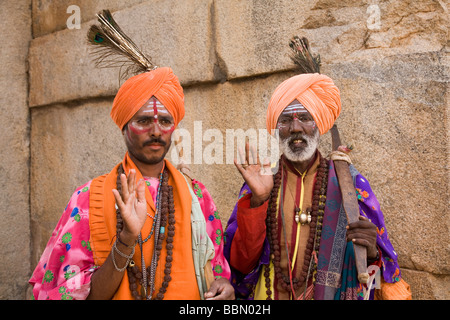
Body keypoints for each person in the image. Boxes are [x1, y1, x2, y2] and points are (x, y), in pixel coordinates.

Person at [29, 10, 234, 300]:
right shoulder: (88, 200)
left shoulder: (198, 197)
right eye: (143, 121)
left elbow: (217, 273)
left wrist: (223, 286)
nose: (156, 130)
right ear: (124, 126)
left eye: (165, 121)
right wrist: (125, 239)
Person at [223, 38, 411, 300]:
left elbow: (377, 279)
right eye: (286, 120)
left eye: (306, 118)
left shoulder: (352, 186)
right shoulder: (262, 183)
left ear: (320, 124)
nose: (296, 128)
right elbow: (240, 265)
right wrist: (259, 200)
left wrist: (370, 253)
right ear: (277, 128)